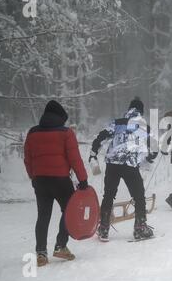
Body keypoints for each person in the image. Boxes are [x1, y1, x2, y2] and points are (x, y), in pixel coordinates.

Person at [24, 100, 88, 267]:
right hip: (60, 180)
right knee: (69, 211)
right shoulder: (66, 133)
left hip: (40, 180)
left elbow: (28, 158)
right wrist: (83, 179)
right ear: (60, 117)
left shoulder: (32, 132)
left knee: (43, 215)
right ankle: (60, 246)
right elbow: (75, 158)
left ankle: (41, 253)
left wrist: (33, 176)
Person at [89, 97, 157, 242]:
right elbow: (155, 148)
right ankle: (140, 228)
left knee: (108, 195)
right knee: (139, 196)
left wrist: (93, 154)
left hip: (112, 163)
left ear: (129, 109)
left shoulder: (117, 122)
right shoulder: (143, 126)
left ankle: (104, 229)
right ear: (141, 111)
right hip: (129, 164)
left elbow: (100, 137)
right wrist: (148, 159)